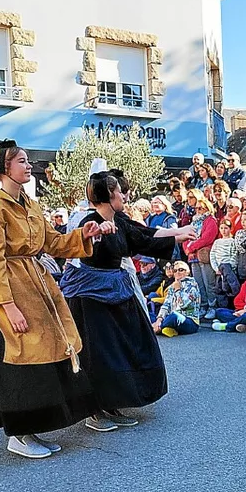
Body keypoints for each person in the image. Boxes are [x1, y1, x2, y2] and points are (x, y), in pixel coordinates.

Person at [0, 140, 114, 459]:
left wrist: (84, 236)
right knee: (15, 359)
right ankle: (18, 434)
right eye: (21, 160)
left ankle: (32, 428)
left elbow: (54, 243)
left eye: (27, 159)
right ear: (4, 167)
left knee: (41, 355)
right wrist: (7, 306)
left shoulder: (29, 204)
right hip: (5, 291)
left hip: (34, 284)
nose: (28, 164)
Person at [61, 170, 191, 432]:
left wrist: (179, 232)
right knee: (101, 356)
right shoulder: (89, 221)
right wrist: (94, 235)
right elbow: (84, 245)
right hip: (92, 299)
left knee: (126, 347)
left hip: (115, 291)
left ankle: (113, 403)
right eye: (119, 191)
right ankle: (95, 411)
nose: (124, 194)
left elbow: (142, 236)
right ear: (109, 195)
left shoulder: (118, 220)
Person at [182, 193, 219, 319]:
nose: (198, 210)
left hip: (203, 255)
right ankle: (203, 305)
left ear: (207, 208)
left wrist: (191, 247)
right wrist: (186, 247)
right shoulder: (194, 222)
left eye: (201, 208)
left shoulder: (211, 220)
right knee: (199, 283)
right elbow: (187, 236)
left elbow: (207, 238)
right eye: (197, 208)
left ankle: (212, 306)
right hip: (193, 257)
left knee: (209, 282)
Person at [210, 219, 242, 312]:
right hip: (219, 270)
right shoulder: (217, 242)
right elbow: (212, 254)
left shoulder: (232, 241)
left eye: (226, 228)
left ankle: (231, 308)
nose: (224, 230)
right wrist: (216, 268)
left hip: (229, 269)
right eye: (222, 228)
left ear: (230, 229)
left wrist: (231, 267)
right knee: (220, 289)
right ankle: (222, 309)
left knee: (229, 288)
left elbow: (234, 255)